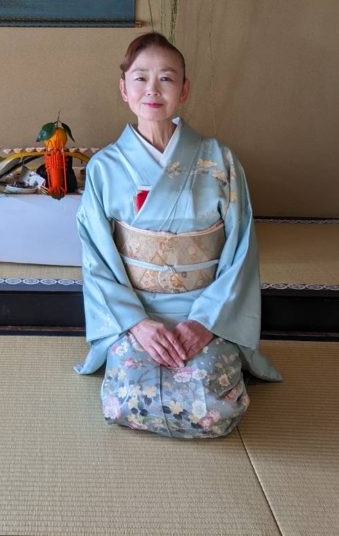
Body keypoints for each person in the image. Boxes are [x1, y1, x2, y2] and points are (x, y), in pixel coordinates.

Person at [75, 31, 281, 438]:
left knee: (212, 406)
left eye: (166, 78)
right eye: (140, 78)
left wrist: (204, 322)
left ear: (184, 90)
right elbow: (96, 259)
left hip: (207, 311)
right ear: (124, 89)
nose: (153, 89)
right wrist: (136, 324)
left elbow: (241, 250)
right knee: (127, 398)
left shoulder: (220, 161)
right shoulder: (104, 167)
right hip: (134, 312)